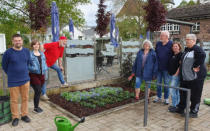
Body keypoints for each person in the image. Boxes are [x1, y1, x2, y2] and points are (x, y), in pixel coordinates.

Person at [2, 34, 31, 126]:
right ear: (12, 41)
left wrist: (24, 72)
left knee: (25, 98)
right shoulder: (8, 52)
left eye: (19, 40)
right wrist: (11, 74)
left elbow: (28, 63)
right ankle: (15, 117)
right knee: (14, 100)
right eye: (16, 40)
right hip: (13, 81)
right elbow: (4, 66)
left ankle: (24, 115)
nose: (18, 42)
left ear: (22, 41)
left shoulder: (26, 51)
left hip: (25, 80)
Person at [175, 34, 207, 118]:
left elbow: (203, 55)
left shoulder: (197, 49)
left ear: (194, 40)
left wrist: (196, 66)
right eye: (186, 39)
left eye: (188, 39)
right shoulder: (187, 49)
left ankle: (194, 111)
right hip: (185, 77)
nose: (186, 41)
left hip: (196, 77)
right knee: (183, 93)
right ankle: (181, 108)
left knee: (195, 94)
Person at [40, 36, 68, 100]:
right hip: (45, 63)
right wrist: (41, 55)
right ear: (60, 40)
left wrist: (61, 65)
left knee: (59, 69)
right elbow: (42, 46)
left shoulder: (62, 47)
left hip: (51, 63)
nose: (65, 43)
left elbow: (60, 57)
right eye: (64, 41)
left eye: (66, 42)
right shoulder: (53, 44)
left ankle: (63, 83)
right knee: (45, 78)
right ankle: (43, 94)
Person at [153, 30, 173, 105]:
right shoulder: (158, 44)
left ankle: (166, 98)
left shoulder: (171, 44)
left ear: (167, 37)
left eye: (162, 35)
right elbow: (155, 53)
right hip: (158, 68)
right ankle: (158, 96)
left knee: (166, 84)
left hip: (167, 69)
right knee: (158, 83)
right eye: (160, 35)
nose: (160, 37)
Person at [28, 40, 48, 113]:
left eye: (38, 44)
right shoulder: (30, 54)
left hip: (42, 75)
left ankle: (37, 106)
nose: (36, 46)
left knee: (38, 91)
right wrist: (33, 69)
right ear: (32, 46)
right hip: (34, 75)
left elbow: (45, 62)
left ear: (39, 46)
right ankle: (35, 108)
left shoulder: (42, 54)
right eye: (34, 44)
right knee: (38, 90)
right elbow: (27, 65)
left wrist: (45, 68)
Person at [168, 42, 182, 112]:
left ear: (179, 47)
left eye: (176, 46)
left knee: (172, 90)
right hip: (171, 75)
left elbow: (180, 66)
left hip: (176, 76)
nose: (174, 47)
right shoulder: (173, 55)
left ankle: (174, 105)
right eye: (173, 46)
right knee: (176, 91)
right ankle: (177, 105)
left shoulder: (181, 55)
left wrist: (176, 73)